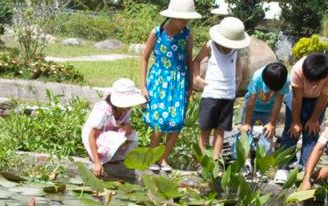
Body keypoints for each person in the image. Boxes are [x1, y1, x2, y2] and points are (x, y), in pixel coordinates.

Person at [139, 0, 201, 173]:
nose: (185, 23)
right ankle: (152, 156)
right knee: (160, 120)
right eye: (182, 19)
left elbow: (189, 61)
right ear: (172, 17)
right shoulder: (157, 33)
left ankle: (164, 158)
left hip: (179, 83)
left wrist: (190, 85)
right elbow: (144, 58)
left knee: (177, 121)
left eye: (187, 20)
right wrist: (143, 86)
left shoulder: (187, 35)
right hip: (159, 81)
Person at [192, 16, 251, 161]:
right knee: (205, 129)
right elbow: (197, 60)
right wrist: (197, 77)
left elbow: (238, 68)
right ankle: (202, 161)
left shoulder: (235, 51)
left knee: (220, 130)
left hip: (227, 96)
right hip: (211, 94)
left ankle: (215, 160)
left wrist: (237, 82)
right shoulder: (210, 45)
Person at [282, 51, 328, 168]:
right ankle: (285, 165)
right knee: (291, 130)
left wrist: (314, 120)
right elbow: (296, 99)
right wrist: (296, 122)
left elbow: (324, 96)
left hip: (317, 99)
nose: (311, 83)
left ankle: (305, 166)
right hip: (296, 96)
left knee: (311, 132)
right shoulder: (298, 69)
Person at [82, 78, 147, 177]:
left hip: (110, 133)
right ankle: (99, 158)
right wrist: (97, 163)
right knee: (117, 138)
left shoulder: (126, 110)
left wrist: (126, 127)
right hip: (94, 137)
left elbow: (123, 124)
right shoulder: (103, 110)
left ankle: (114, 159)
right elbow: (91, 135)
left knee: (131, 135)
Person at [237, 61, 291, 158]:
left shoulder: (285, 80)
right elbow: (251, 101)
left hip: (269, 109)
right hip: (252, 108)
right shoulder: (257, 76)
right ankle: (246, 160)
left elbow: (278, 102)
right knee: (245, 132)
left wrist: (271, 123)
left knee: (268, 133)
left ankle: (262, 161)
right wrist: (247, 123)